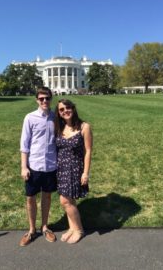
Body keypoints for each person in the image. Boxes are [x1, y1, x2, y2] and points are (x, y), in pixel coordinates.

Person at [19, 87, 57, 246]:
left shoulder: (56, 117)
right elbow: (24, 144)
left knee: (47, 197)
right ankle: (32, 229)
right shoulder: (30, 117)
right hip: (33, 165)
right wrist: (23, 166)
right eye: (41, 98)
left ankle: (45, 227)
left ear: (51, 99)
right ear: (37, 100)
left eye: (47, 98)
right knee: (30, 198)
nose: (44, 101)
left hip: (50, 165)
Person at [54, 98, 93, 244]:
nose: (65, 111)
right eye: (61, 110)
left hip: (75, 168)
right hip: (61, 168)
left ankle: (79, 230)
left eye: (68, 107)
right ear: (59, 113)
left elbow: (88, 151)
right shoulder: (59, 127)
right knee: (69, 200)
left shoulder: (84, 127)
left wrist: (85, 173)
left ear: (73, 108)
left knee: (65, 200)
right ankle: (72, 227)